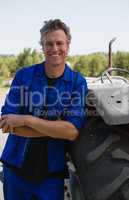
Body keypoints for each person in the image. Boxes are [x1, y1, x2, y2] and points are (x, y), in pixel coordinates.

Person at [0, 19, 88, 200]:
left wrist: (26, 120)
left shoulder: (77, 82)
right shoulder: (24, 76)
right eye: (49, 43)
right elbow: (7, 123)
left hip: (51, 177)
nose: (54, 48)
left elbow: (71, 132)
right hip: (16, 171)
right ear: (42, 46)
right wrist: (56, 128)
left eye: (59, 43)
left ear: (68, 46)